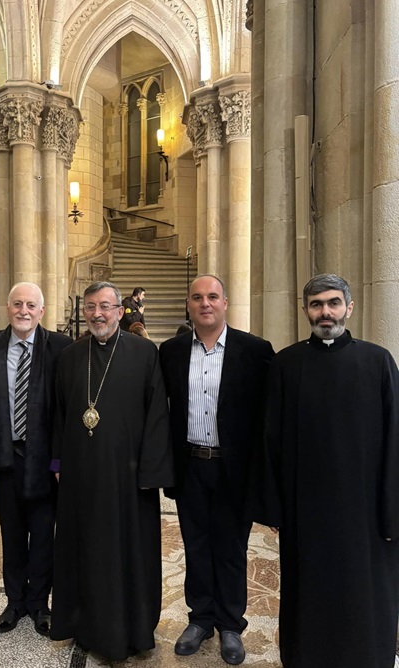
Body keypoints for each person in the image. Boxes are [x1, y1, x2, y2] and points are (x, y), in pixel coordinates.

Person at [250, 273, 399, 668]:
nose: (325, 312)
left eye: (333, 303)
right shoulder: (286, 364)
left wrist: (392, 507)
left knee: (364, 591)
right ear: (305, 311)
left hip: (365, 511)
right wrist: (274, 506)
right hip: (307, 509)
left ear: (350, 307)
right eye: (316, 304)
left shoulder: (378, 361)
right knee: (309, 592)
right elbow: (271, 438)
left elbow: (395, 438)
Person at [50, 280, 174, 661]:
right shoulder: (70, 357)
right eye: (90, 307)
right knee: (84, 550)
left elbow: (157, 416)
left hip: (128, 480)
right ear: (84, 311)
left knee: (127, 554)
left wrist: (150, 473)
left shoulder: (144, 353)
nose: (98, 314)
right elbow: (58, 414)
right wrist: (57, 463)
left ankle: (133, 629)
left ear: (121, 312)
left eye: (106, 306)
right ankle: (84, 625)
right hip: (81, 477)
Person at [159, 275, 274, 665]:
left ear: (225, 302)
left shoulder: (256, 350)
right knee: (196, 545)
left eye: (212, 296)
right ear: (188, 305)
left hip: (233, 470)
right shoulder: (171, 351)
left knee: (230, 548)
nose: (205, 303)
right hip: (190, 464)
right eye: (197, 297)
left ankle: (229, 625)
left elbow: (264, 419)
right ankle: (200, 619)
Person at [0, 282, 71, 637]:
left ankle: (39, 604)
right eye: (18, 304)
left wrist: (61, 461)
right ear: (7, 307)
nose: (24, 311)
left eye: (31, 305)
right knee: (12, 536)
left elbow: (65, 407)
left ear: (42, 312)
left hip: (44, 462)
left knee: (43, 537)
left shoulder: (60, 346)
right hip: (5, 459)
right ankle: (14, 602)